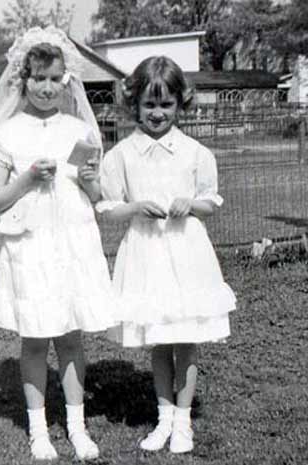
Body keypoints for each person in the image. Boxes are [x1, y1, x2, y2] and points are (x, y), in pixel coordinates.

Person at [0, 26, 116, 462]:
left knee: (72, 337)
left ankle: (76, 426)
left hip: (73, 242)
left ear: (67, 81)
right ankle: (40, 431)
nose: (47, 87)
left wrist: (93, 184)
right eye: (38, 78)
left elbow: (98, 200)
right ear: (23, 80)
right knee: (36, 338)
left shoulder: (80, 130)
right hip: (31, 246)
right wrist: (25, 179)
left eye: (56, 79)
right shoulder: (6, 134)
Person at [96, 56, 236, 455]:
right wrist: (137, 206)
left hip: (186, 252)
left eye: (166, 105)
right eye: (149, 105)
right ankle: (163, 417)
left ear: (180, 104)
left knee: (186, 338)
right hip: (146, 252)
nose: (157, 114)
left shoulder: (195, 152)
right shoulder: (121, 155)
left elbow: (211, 203)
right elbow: (109, 208)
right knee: (159, 339)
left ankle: (184, 421)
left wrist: (188, 202)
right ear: (134, 105)